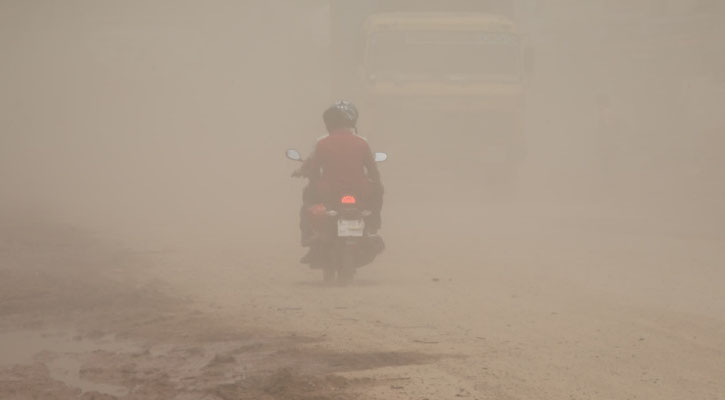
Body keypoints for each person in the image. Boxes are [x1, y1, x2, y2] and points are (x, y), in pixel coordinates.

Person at [292, 101, 384, 263]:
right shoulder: (362, 142)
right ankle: (373, 225)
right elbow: (373, 170)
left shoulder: (322, 142)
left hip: (329, 191)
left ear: (329, 123)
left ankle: (310, 234)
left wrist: (311, 180)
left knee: (308, 198)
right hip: (360, 190)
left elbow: (313, 170)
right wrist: (377, 184)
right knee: (378, 192)